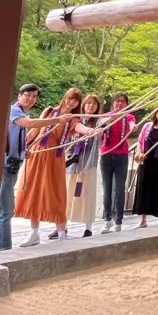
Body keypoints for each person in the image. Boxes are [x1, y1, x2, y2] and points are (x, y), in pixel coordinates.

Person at [16, 87, 101, 247]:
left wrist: (92, 130)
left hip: (54, 159)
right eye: (70, 98)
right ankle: (34, 233)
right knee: (33, 192)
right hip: (37, 155)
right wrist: (23, 147)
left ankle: (62, 234)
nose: (71, 102)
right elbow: (34, 131)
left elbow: (79, 129)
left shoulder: (73, 119)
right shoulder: (49, 112)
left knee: (56, 194)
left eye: (75, 100)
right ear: (65, 98)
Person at [0, 84, 67, 251]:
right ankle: (4, 249)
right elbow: (30, 124)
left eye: (34, 97)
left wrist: (23, 151)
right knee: (5, 211)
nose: (30, 99)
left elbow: (18, 135)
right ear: (19, 96)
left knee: (4, 209)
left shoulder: (23, 112)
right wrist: (57, 120)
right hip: (5, 166)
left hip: (13, 164)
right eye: (27, 95)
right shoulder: (15, 111)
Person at [56, 92, 102, 239]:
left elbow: (111, 118)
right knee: (68, 193)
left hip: (89, 163)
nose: (91, 106)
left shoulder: (99, 122)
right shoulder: (75, 120)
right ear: (83, 105)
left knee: (87, 194)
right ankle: (63, 225)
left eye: (94, 104)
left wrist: (97, 131)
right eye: (88, 103)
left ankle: (88, 227)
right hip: (73, 162)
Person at [100, 92, 137, 234]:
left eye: (122, 102)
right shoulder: (105, 117)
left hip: (121, 156)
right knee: (107, 188)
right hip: (106, 155)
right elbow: (100, 126)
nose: (119, 104)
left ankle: (119, 221)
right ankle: (107, 219)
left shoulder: (128, 117)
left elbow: (132, 124)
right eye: (117, 101)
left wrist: (133, 127)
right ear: (113, 103)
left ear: (126, 104)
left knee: (120, 189)